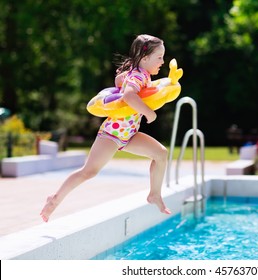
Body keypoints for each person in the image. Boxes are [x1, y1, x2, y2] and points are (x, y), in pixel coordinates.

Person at [40, 34, 171, 222]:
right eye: (159, 57)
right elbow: (128, 95)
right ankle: (54, 199)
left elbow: (119, 80)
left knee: (161, 154)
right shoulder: (138, 75)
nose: (162, 61)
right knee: (89, 172)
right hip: (112, 134)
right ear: (145, 58)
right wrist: (150, 113)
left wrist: (122, 79)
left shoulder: (141, 74)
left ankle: (155, 194)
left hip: (130, 134)